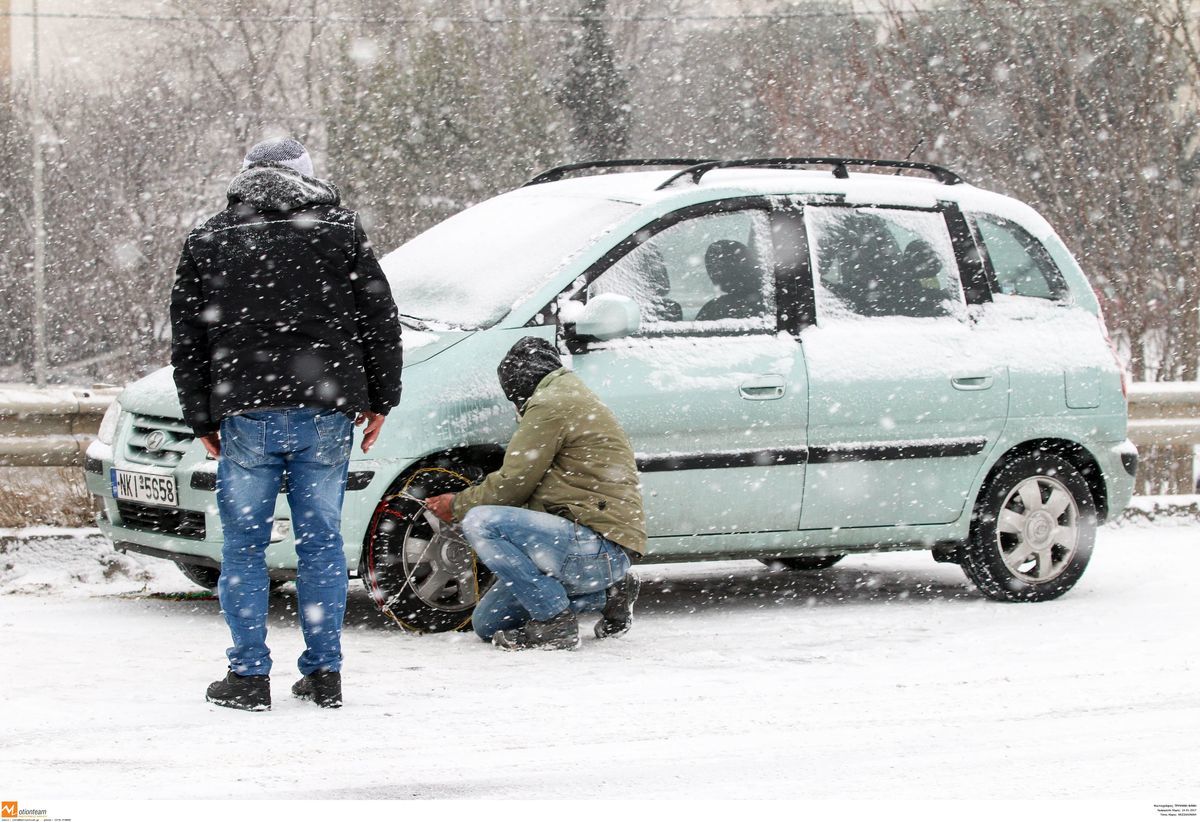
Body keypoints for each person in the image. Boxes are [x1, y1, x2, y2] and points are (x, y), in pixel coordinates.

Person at [170, 137, 403, 710]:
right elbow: (380, 318)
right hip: (325, 410)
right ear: (307, 177)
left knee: (244, 548)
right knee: (321, 543)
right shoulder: (340, 231)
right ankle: (325, 674)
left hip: (245, 410)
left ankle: (249, 677)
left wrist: (201, 412)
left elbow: (188, 337)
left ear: (245, 178)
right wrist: (380, 399)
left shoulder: (209, 238)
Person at [425, 337, 646, 650]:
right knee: (488, 623)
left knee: (481, 521)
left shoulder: (549, 405)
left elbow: (512, 484)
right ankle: (610, 593)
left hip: (596, 546)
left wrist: (458, 504)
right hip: (599, 550)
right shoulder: (567, 394)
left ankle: (555, 621)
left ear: (518, 389)